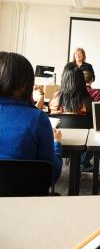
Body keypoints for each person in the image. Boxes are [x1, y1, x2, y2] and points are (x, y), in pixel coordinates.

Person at [0, 51, 62, 181]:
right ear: (24, 85)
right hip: (24, 198)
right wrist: (57, 144)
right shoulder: (37, 118)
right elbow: (51, 174)